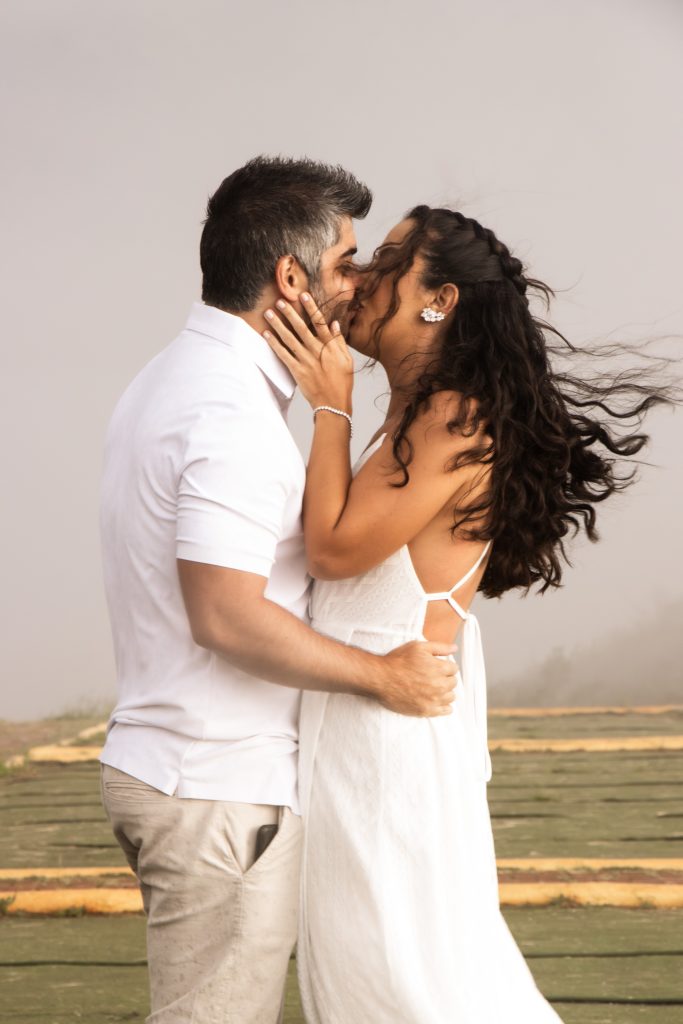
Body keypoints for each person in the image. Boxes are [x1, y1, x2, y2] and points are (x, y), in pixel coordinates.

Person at [260, 205, 671, 1023]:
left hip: (387, 746)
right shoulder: (420, 413)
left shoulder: (452, 416)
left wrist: (330, 405)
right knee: (387, 967)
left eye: (388, 261)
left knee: (408, 976)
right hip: (365, 730)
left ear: (439, 300)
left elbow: (335, 551)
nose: (361, 278)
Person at [97, 160, 457, 1024]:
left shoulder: (173, 377)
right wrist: (386, 677)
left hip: (184, 772)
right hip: (217, 789)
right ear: (290, 279)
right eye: (345, 264)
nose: (358, 283)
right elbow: (225, 615)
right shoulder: (228, 413)